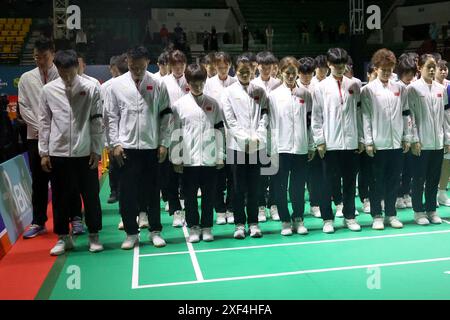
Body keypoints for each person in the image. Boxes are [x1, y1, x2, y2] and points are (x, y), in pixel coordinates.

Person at [38, 49, 104, 255]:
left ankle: (94, 235)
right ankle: (63, 238)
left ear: (77, 66)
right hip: (58, 153)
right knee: (59, 197)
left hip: (85, 152)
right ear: (57, 69)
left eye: (71, 72)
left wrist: (97, 149)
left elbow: (97, 120)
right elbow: (44, 122)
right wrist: (44, 152)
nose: (67, 77)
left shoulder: (92, 87)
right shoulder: (48, 90)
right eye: (63, 72)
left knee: (91, 196)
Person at [107, 46, 171, 249]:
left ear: (147, 62)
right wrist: (115, 143)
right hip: (126, 149)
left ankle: (155, 231)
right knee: (127, 193)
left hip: (151, 147)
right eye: (134, 67)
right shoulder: (116, 85)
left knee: (152, 192)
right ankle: (131, 233)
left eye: (141, 67)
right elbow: (111, 117)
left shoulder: (157, 84)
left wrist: (163, 143)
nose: (137, 70)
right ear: (127, 62)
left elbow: (166, 116)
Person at [312, 47, 364, 234]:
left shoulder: (355, 84)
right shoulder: (319, 87)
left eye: (343, 64)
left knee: (350, 181)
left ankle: (349, 216)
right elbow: (316, 116)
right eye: (336, 65)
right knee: (327, 183)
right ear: (329, 64)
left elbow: (359, 114)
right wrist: (319, 140)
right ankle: (327, 218)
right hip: (329, 143)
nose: (340, 68)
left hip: (350, 143)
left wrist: (360, 139)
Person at [171, 64, 224, 242]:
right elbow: (175, 133)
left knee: (210, 196)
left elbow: (219, 131)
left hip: (209, 160)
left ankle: (207, 227)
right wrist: (176, 158)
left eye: (201, 82)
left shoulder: (213, 104)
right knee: (190, 196)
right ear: (188, 82)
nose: (198, 86)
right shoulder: (179, 105)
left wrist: (220, 155)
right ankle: (193, 226)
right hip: (188, 161)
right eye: (194, 83)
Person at [361, 49, 411, 230]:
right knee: (376, 181)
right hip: (377, 144)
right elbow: (365, 117)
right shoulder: (367, 90)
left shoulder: (400, 88)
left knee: (393, 180)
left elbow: (406, 114)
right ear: (375, 68)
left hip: (396, 143)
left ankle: (391, 214)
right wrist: (368, 141)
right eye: (383, 69)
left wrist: (407, 137)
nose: (387, 73)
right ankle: (377, 215)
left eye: (390, 69)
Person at [221, 54, 269, 239]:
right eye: (241, 70)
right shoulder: (228, 92)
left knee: (255, 187)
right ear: (235, 69)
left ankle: (254, 223)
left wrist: (258, 137)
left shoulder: (260, 91)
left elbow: (265, 115)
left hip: (257, 146)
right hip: (237, 147)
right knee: (238, 188)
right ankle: (239, 224)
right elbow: (230, 120)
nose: (244, 73)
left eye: (248, 70)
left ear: (254, 69)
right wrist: (246, 139)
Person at [268, 56, 314, 236]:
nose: (290, 76)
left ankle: (298, 218)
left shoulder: (305, 94)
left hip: (300, 148)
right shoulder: (273, 96)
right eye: (287, 73)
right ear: (280, 73)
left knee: (298, 186)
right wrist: (271, 149)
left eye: (293, 73)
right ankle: (285, 220)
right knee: (279, 186)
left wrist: (310, 145)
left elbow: (310, 122)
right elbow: (270, 124)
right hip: (280, 149)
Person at [19, 39, 59, 239]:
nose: (39, 60)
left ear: (52, 54)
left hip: (61, 138)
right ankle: (38, 221)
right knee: (39, 182)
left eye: (43, 56)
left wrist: (56, 128)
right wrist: (42, 127)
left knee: (63, 180)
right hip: (35, 137)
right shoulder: (26, 78)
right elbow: (23, 108)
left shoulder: (61, 74)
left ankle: (71, 218)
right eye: (36, 57)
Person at [408, 54, 449, 225]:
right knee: (419, 178)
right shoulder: (413, 89)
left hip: (437, 143)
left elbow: (445, 116)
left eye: (434, 67)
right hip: (421, 143)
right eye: (428, 67)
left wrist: (447, 138)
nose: (432, 70)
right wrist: (414, 139)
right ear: (419, 68)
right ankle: (418, 212)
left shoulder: (441, 89)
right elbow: (410, 116)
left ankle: (432, 210)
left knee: (434, 178)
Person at [204, 51, 237, 225]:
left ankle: (231, 207)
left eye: (225, 66)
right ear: (214, 66)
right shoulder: (207, 84)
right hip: (214, 135)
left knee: (233, 175)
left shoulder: (236, 83)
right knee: (217, 174)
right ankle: (219, 209)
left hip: (233, 136)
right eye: (219, 66)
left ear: (230, 65)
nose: (223, 69)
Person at [251, 51, 281, 222]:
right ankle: (261, 206)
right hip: (258, 134)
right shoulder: (253, 84)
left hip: (276, 135)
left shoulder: (278, 83)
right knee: (261, 173)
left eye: (269, 66)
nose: (266, 69)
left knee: (275, 172)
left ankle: (274, 205)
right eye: (263, 66)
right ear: (257, 66)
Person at [162, 50, 190, 227]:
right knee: (170, 176)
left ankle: (188, 207)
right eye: (175, 64)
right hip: (169, 135)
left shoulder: (193, 80)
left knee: (188, 175)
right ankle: (176, 210)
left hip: (190, 135)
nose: (178, 67)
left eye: (181, 64)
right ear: (169, 65)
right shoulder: (162, 83)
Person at [101, 54, 128, 220]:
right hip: (113, 136)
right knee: (114, 166)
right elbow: (106, 115)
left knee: (128, 173)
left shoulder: (136, 84)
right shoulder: (107, 87)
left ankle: (130, 206)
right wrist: (109, 140)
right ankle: (114, 191)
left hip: (130, 138)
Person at [394, 55, 417, 209]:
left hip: (413, 131)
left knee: (409, 166)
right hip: (397, 133)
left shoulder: (415, 87)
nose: (410, 76)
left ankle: (406, 193)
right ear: (400, 72)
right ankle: (396, 195)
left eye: (412, 73)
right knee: (397, 168)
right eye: (407, 72)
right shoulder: (396, 87)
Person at [435, 59, 450, 206]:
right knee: (432, 164)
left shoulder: (449, 87)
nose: (444, 71)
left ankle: (442, 193)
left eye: (446, 69)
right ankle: (431, 193)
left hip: (446, 130)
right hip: (432, 131)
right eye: (441, 69)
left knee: (447, 163)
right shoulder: (428, 87)